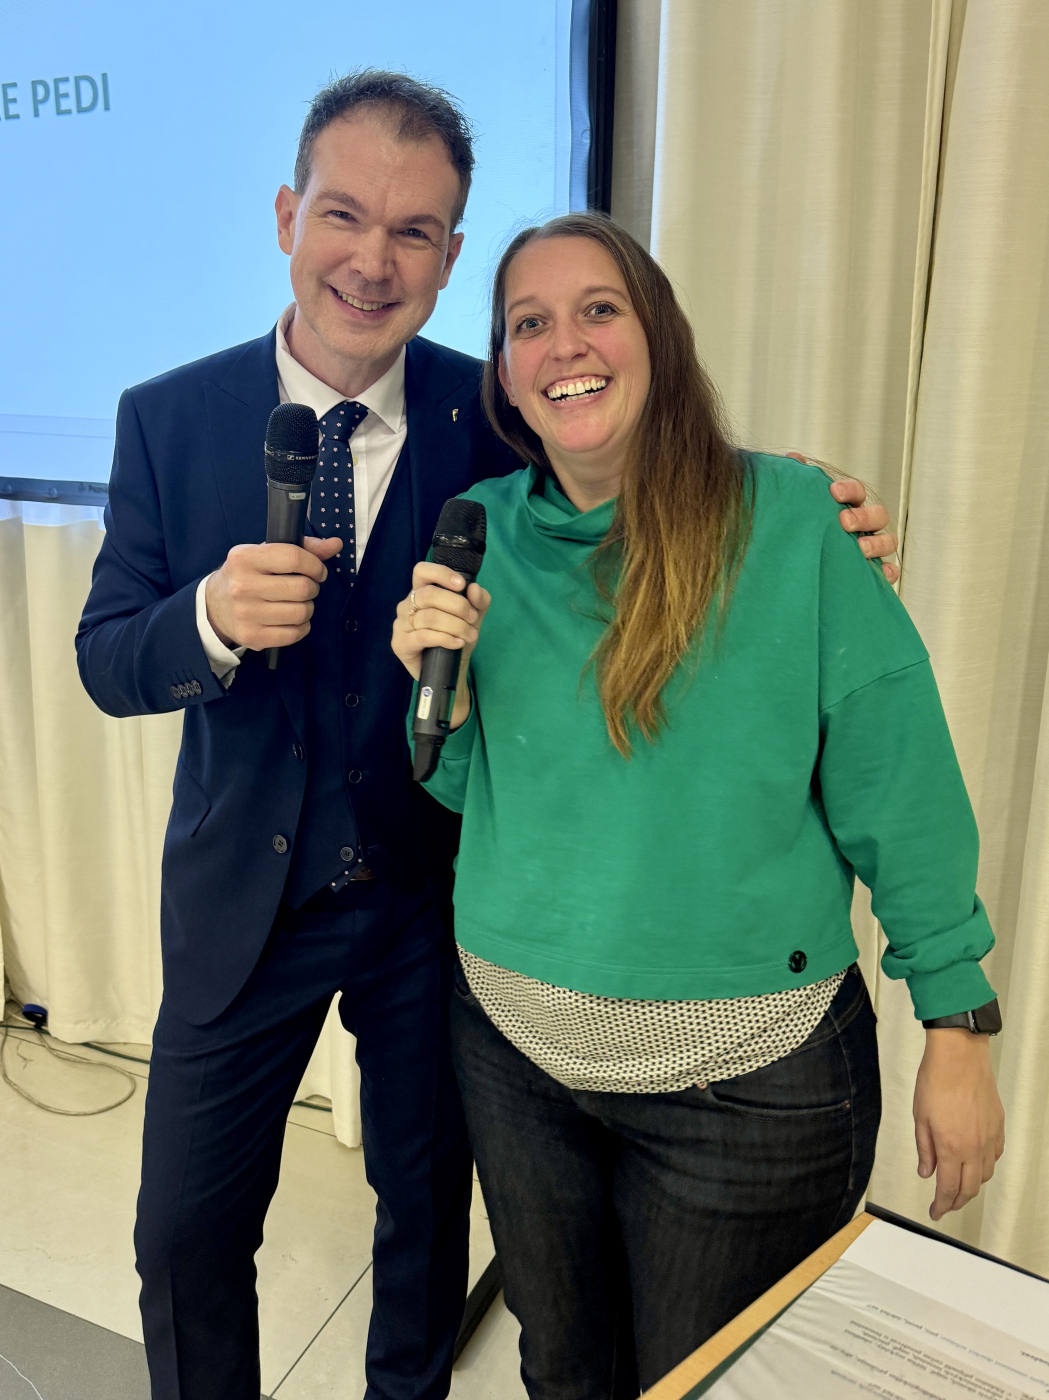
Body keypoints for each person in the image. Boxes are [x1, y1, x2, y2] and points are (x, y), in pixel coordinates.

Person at [75, 67, 893, 1400]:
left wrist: (797, 505)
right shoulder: (165, 418)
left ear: (450, 256)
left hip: (438, 905)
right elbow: (108, 657)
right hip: (241, 907)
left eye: (414, 231)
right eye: (343, 215)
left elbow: (632, 474)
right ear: (286, 215)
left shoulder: (496, 411)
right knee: (181, 1237)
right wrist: (208, 618)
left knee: (426, 1224)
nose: (371, 261)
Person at [391, 212, 1006, 1398]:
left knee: (704, 1383)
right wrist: (442, 703)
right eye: (528, 323)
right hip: (518, 1064)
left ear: (658, 336)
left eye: (597, 309)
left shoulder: (792, 521)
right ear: (506, 376)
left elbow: (898, 782)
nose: (564, 343)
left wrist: (954, 1023)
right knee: (562, 1371)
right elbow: (475, 790)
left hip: (748, 1086)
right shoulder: (482, 532)